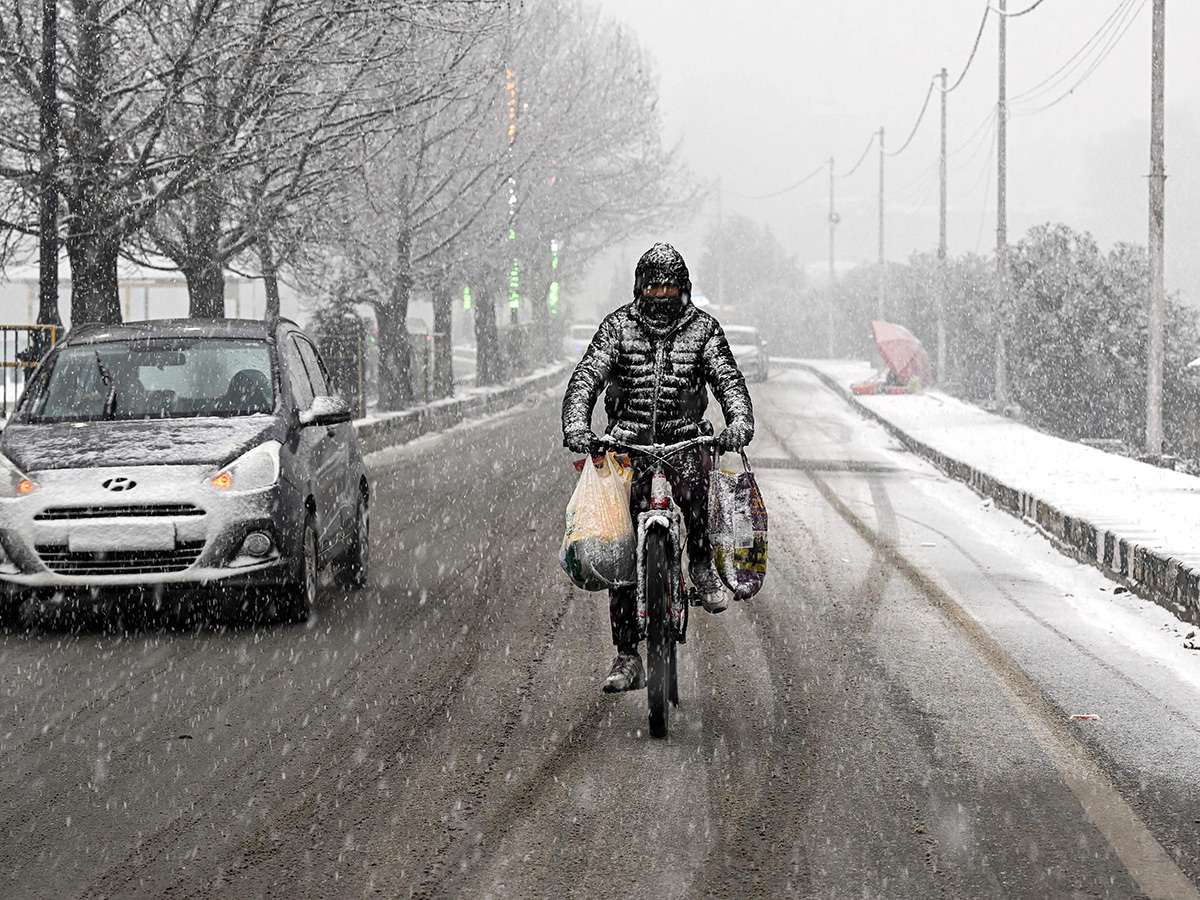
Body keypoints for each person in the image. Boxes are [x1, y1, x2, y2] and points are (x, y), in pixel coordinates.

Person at [561, 242, 755, 693]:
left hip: (686, 439)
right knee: (621, 551)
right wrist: (576, 424)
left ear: (682, 288)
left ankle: (702, 563)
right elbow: (587, 376)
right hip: (628, 449)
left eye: (669, 285)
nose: (661, 293)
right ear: (640, 287)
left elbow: (729, 380)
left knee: (694, 492)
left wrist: (739, 423)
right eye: (654, 285)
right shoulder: (617, 328)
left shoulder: (704, 330)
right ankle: (627, 655)